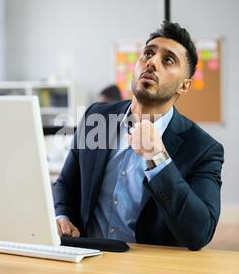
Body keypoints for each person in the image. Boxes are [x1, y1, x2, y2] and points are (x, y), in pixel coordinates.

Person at [53, 21, 224, 250]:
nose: (152, 62)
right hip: (86, 258)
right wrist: (62, 215)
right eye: (148, 54)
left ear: (184, 86)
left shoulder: (203, 148)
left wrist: (158, 157)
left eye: (168, 60)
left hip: (148, 271)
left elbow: (199, 233)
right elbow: (66, 183)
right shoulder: (98, 118)